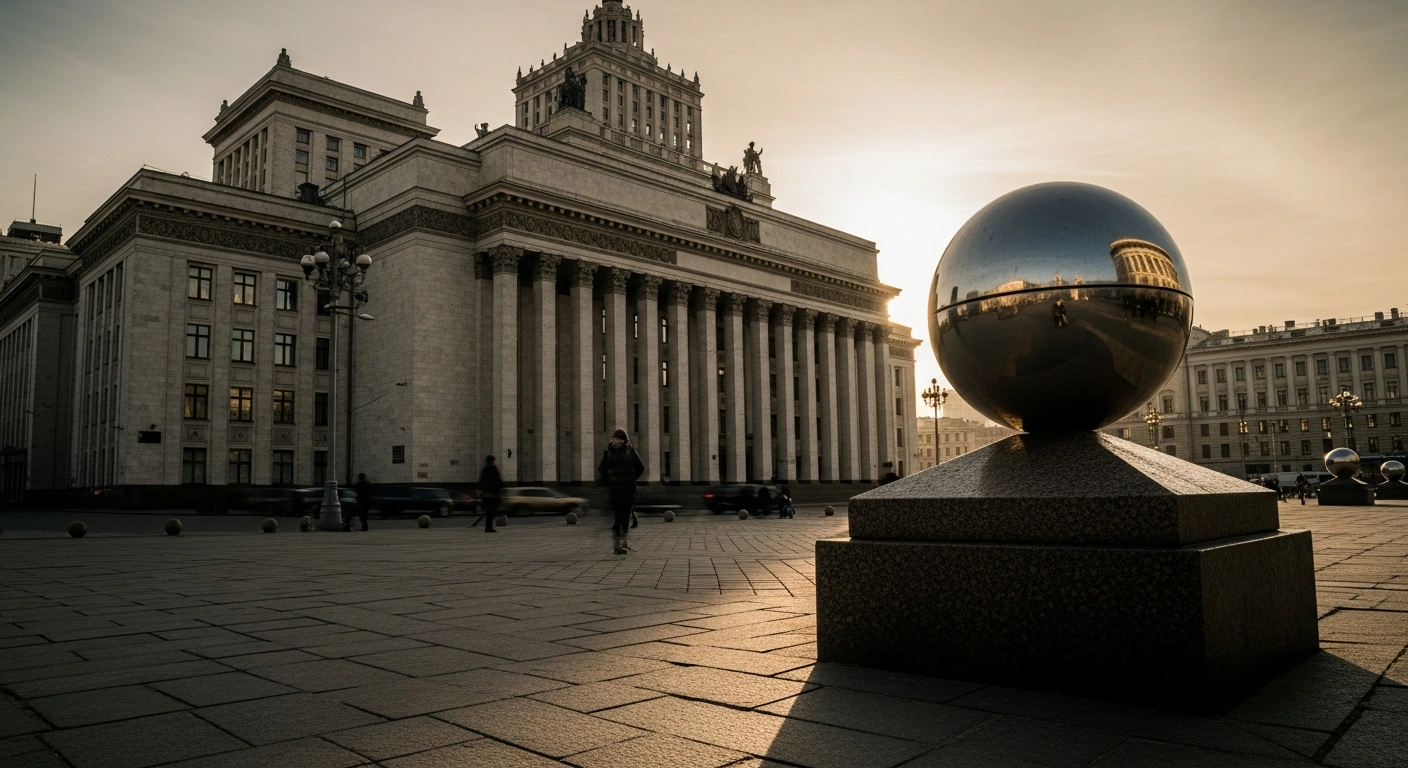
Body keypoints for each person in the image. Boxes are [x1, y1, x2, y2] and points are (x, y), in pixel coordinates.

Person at [598, 429, 644, 555]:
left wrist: (610, 479)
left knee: (618, 515)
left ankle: (617, 543)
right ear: (626, 439)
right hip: (628, 488)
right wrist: (632, 478)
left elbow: (601, 469)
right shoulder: (629, 451)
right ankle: (623, 542)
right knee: (625, 515)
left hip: (614, 489)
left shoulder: (608, 453)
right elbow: (641, 467)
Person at [479, 456, 503, 533]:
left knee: (489, 511)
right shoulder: (493, 470)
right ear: (492, 461)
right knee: (491, 511)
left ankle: (488, 527)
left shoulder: (484, 470)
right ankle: (489, 528)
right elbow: (497, 482)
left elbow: (481, 482)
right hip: (493, 495)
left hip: (486, 495)